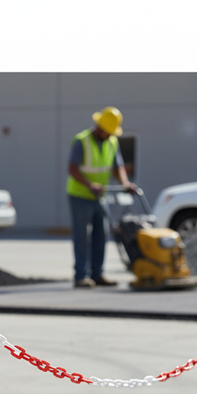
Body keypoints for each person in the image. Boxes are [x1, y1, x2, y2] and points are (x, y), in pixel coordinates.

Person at [66, 106, 136, 287]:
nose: (110, 134)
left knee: (101, 235)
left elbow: (118, 167)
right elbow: (72, 169)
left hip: (100, 196)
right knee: (82, 236)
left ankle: (97, 274)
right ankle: (81, 276)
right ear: (99, 128)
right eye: (107, 131)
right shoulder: (81, 141)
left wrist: (125, 183)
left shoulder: (112, 142)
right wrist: (90, 185)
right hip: (80, 195)